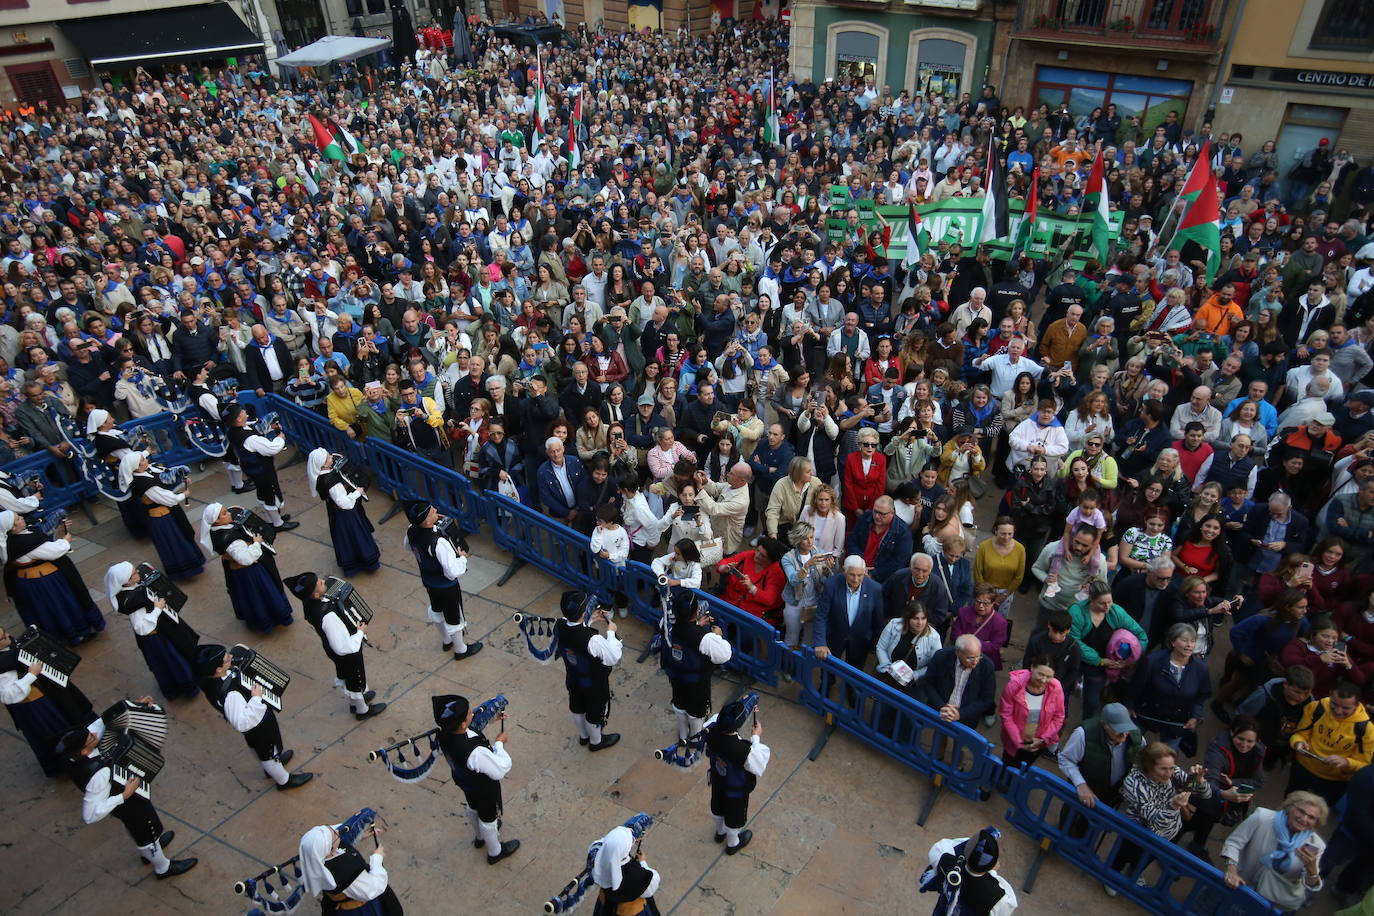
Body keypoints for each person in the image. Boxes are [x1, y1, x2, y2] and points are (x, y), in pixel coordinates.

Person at [55, 720, 198, 880]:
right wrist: (124, 795)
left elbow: (101, 725)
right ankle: (162, 867)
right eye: (90, 737)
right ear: (83, 751)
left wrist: (135, 707)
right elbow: (90, 815)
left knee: (147, 830)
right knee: (144, 832)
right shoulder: (98, 775)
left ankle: (152, 848)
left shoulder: (72, 755)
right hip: (128, 805)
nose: (94, 735)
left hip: (126, 801)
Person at [193, 644, 314, 790]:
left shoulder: (209, 679)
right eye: (226, 659)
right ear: (218, 669)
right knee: (267, 752)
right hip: (257, 726)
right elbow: (242, 722)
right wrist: (257, 698)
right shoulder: (231, 695)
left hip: (258, 724)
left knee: (268, 749)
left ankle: (274, 763)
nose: (230, 657)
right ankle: (284, 780)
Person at [285, 572, 386, 720]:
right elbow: (343, 647)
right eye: (320, 583)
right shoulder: (329, 618)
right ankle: (362, 710)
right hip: (346, 654)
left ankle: (356, 701)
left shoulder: (309, 604)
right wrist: (360, 633)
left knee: (350, 678)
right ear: (315, 595)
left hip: (331, 649)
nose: (323, 582)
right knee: (355, 680)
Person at [0, 623, 99, 774]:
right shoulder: (3, 670)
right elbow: (7, 696)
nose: (8, 636)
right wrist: (31, 675)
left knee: (71, 712)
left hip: (48, 694)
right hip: (35, 705)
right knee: (57, 732)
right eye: (3, 638)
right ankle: (72, 759)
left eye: (5, 633)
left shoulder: (9, 648)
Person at [434, 693, 520, 866]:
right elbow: (500, 769)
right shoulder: (475, 753)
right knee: (489, 818)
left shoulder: (444, 734)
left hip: (465, 782)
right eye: (468, 714)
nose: (472, 714)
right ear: (463, 723)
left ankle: (480, 837)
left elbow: (471, 729)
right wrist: (500, 744)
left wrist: (492, 719)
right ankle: (495, 852)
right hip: (484, 788)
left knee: (473, 806)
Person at [1113, 743, 1210, 894]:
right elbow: (1154, 820)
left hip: (1169, 831)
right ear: (1148, 766)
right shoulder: (1133, 783)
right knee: (1125, 854)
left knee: (1148, 857)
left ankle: (1135, 871)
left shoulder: (1172, 770)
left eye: (1171, 768)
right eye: (1163, 769)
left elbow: (1204, 794)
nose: (1169, 773)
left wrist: (1197, 779)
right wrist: (1173, 806)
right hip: (1139, 831)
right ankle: (1113, 876)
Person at [3, 509, 105, 645]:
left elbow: (43, 543)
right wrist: (65, 541)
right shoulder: (23, 543)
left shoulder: (15, 540)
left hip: (31, 582)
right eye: (17, 519)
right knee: (61, 607)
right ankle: (75, 634)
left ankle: (63, 634)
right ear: (12, 528)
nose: (21, 517)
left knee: (46, 610)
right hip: (44, 582)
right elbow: (54, 551)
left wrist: (58, 531)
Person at [104, 562, 199, 700]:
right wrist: (157, 609)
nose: (138, 572)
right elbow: (141, 627)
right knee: (171, 662)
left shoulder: (133, 589)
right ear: (126, 582)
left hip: (159, 630)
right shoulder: (132, 602)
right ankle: (187, 688)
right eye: (134, 573)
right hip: (154, 637)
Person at [1219, 792, 1327, 910]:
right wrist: (1232, 871)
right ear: (1290, 807)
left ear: (1317, 822)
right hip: (1237, 887)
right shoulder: (1262, 817)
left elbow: (1309, 884)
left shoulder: (1315, 844)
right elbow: (1233, 843)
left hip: (1270, 903)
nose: (1304, 819)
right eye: (1301, 811)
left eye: (1311, 817)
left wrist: (1312, 869)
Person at [198, 502, 294, 633]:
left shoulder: (217, 531)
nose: (229, 514)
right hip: (250, 572)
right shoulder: (231, 541)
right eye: (225, 514)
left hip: (238, 571)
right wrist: (256, 544)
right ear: (216, 521)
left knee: (250, 595)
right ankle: (271, 619)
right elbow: (245, 559)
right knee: (261, 594)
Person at [403, 500, 481, 660]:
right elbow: (453, 571)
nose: (436, 510)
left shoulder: (411, 530)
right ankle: (460, 650)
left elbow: (407, 546)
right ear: (426, 521)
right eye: (432, 511)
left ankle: (446, 641)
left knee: (437, 610)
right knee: (454, 617)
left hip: (429, 581)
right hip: (447, 586)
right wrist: (462, 558)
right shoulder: (438, 541)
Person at [1181, 716, 1264, 859]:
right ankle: (1168, 854)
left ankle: (1197, 847)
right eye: (1240, 739)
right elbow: (1208, 780)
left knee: (1207, 822)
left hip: (1224, 802)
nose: (1245, 744)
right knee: (1185, 824)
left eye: (1250, 741)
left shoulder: (1258, 751)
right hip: (1207, 797)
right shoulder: (1217, 748)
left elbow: (1258, 781)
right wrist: (1225, 793)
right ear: (1232, 733)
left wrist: (1232, 782)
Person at [659, 591, 731, 748]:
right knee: (696, 712)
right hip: (696, 682)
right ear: (697, 611)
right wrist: (717, 635)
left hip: (675, 675)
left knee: (679, 705)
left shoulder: (666, 624)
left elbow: (682, 631)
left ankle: (683, 736)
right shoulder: (705, 638)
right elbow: (724, 655)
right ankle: (695, 739)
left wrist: (696, 624)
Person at [1128, 622, 1213, 750]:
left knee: (1167, 758)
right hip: (1146, 713)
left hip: (1176, 722)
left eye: (1192, 641)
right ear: (1173, 642)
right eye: (1184, 640)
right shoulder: (1152, 661)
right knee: (1132, 749)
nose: (1189, 645)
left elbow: (1201, 695)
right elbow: (1136, 685)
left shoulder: (1200, 668)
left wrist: (1196, 716)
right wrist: (1129, 705)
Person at [555, 590, 622, 752]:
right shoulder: (593, 640)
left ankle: (584, 736)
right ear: (584, 612)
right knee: (595, 710)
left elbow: (574, 631)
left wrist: (590, 619)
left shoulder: (559, 625)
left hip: (573, 677)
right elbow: (613, 657)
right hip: (593, 683)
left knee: (577, 705)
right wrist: (611, 633)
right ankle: (596, 741)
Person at [1069, 581, 1148, 718]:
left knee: (1092, 701)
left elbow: (1141, 636)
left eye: (1109, 602)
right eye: (1102, 603)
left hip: (1103, 664)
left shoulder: (1116, 612)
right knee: (1063, 691)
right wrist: (1099, 660)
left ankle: (1085, 726)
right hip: (1079, 658)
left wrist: (1130, 659)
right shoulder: (1076, 612)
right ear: (1091, 600)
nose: (1107, 606)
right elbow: (1074, 641)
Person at [120, 452, 204, 579]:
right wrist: (183, 495)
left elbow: (164, 480)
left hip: (166, 513)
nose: (145, 460)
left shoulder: (147, 472)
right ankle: (185, 571)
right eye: (142, 460)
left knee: (179, 538)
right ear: (136, 467)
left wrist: (181, 480)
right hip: (162, 518)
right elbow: (167, 498)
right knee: (175, 542)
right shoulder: (143, 484)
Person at [1288, 679, 1373, 804]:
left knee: (1318, 813)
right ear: (1330, 694)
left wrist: (1345, 762)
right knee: (1290, 801)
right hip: (1303, 767)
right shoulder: (1317, 707)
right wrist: (1298, 743)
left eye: (1345, 708)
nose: (1338, 711)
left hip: (1334, 781)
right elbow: (1300, 733)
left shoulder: (1367, 730)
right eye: (1334, 704)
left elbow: (1363, 764)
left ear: (1357, 705)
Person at [705, 697, 770, 855]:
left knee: (717, 806)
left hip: (718, 780)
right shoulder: (742, 750)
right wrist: (756, 737)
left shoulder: (709, 731)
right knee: (735, 816)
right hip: (736, 789)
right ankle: (733, 843)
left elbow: (714, 720)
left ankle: (719, 833)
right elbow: (759, 764)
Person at [299, 819, 404, 914]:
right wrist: (377, 857)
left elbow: (341, 846)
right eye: (334, 835)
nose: (337, 832)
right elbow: (373, 888)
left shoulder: (317, 858)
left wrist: (360, 835)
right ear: (329, 848)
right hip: (360, 910)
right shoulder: (344, 874)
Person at [224, 404, 299, 532]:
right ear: (237, 419)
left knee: (263, 493)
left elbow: (254, 431)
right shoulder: (249, 439)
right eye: (241, 412)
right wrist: (279, 438)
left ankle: (271, 520)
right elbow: (271, 448)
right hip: (262, 470)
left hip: (252, 469)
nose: (244, 411)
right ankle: (277, 523)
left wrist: (269, 428)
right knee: (270, 494)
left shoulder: (233, 430)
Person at [1057, 703, 1145, 811]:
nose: (1124, 734)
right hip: (1082, 797)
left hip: (1112, 799)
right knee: (1069, 823)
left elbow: (1144, 763)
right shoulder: (1084, 733)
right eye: (1118, 729)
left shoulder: (1137, 737)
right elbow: (1065, 759)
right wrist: (1081, 784)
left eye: (1127, 728)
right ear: (1104, 725)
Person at [307, 448, 381, 576]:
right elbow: (344, 503)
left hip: (335, 512)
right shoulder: (331, 481)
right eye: (329, 457)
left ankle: (353, 564)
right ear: (324, 464)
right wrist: (358, 492)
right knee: (355, 536)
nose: (332, 457)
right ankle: (365, 562)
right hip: (346, 514)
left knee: (345, 538)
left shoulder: (321, 476)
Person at [920, 826, 1018, 916]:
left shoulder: (945, 860)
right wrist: (992, 872)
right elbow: (1007, 908)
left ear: (965, 852)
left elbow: (943, 846)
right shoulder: (998, 898)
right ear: (993, 864)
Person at [813, 556, 884, 668]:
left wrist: (871, 641)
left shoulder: (875, 589)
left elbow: (878, 620)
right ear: (844, 571)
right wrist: (820, 643)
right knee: (828, 668)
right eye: (852, 575)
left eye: (860, 575)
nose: (856, 579)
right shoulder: (832, 584)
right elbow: (821, 615)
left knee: (854, 672)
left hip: (860, 641)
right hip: (834, 637)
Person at [998, 656, 1066, 768]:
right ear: (1032, 668)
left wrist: (1043, 739)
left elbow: (1059, 717)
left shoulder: (1056, 688)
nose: (1044, 680)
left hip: (1037, 744)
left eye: (1049, 677)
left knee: (1025, 768)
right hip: (1013, 740)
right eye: (1041, 674)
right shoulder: (1014, 685)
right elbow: (1006, 715)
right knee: (1008, 765)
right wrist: (1018, 742)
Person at [917, 635, 997, 727]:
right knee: (938, 737)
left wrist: (960, 714)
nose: (975, 661)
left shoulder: (987, 666)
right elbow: (927, 683)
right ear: (958, 652)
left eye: (979, 656)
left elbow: (986, 699)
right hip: (939, 712)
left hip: (967, 718)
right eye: (970, 658)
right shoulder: (942, 656)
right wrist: (942, 707)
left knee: (961, 741)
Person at [589, 822, 661, 916]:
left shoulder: (596, 856)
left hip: (605, 907)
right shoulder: (636, 875)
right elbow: (653, 884)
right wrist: (643, 862)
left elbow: (608, 843)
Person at [717, 538, 787, 626]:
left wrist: (752, 587)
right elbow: (724, 562)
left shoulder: (776, 573)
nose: (757, 555)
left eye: (762, 555)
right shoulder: (749, 555)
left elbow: (769, 599)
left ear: (771, 560)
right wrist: (724, 568)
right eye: (757, 550)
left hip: (752, 617)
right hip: (728, 603)